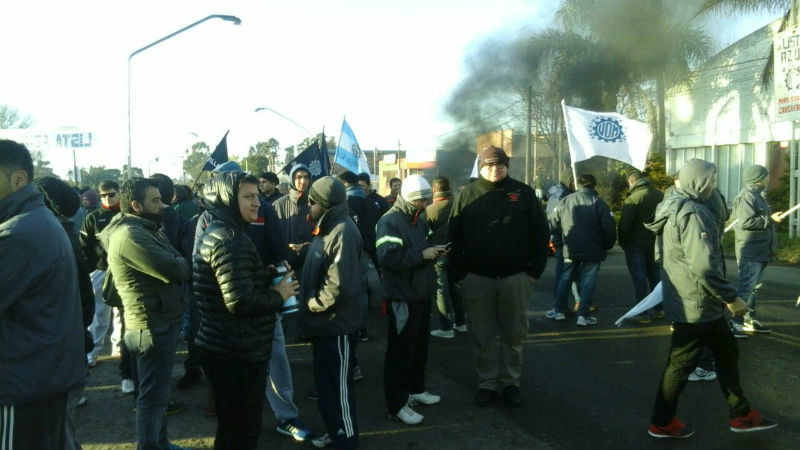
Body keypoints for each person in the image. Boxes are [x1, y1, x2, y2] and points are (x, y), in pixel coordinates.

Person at [644, 158, 778, 438]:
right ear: (700, 182)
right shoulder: (693, 213)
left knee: (727, 353)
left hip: (694, 300)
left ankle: (741, 414)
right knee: (680, 365)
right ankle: (662, 421)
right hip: (697, 303)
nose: (714, 187)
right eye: (712, 181)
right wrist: (731, 298)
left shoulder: (675, 205)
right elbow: (704, 266)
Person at [194, 161, 311, 442]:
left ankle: (286, 416)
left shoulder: (229, 227)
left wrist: (265, 273)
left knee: (235, 424)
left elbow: (243, 274)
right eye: (247, 197)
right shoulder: (227, 236)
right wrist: (278, 294)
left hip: (232, 339)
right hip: (236, 344)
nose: (256, 202)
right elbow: (239, 302)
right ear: (226, 198)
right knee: (240, 429)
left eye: (257, 195)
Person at [448, 145, 549, 407]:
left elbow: (541, 234)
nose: (495, 170)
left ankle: (510, 383)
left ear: (507, 166)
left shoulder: (523, 193)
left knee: (514, 335)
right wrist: (461, 274)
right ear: (481, 166)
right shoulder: (467, 195)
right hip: (477, 279)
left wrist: (533, 272)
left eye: (500, 165)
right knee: (482, 336)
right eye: (489, 165)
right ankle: (487, 384)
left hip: (516, 278)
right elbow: (453, 237)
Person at [0, 139, 85, 450]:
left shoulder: (17, 235)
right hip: (43, 379)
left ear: (17, 179)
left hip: (24, 384)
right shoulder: (36, 221)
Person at [100, 178, 191, 450]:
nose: (162, 205)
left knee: (157, 395)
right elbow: (177, 268)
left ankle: (160, 442)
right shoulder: (130, 235)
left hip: (159, 321)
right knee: (151, 398)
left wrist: (178, 261)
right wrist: (179, 263)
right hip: (150, 326)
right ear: (136, 205)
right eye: (155, 200)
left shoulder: (146, 228)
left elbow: (176, 258)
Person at [298, 177, 364, 450]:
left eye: (311, 201)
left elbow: (338, 287)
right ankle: (335, 431)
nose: (308, 205)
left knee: (339, 391)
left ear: (323, 204)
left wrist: (310, 303)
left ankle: (346, 441)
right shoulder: (327, 228)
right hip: (322, 326)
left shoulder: (342, 231)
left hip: (336, 326)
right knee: (325, 389)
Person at [34, 176, 97, 450]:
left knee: (57, 433)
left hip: (56, 350)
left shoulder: (50, 238)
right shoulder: (63, 233)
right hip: (67, 345)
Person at [378, 174, 445, 425]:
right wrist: (423, 254)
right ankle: (396, 405)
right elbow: (388, 258)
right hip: (402, 297)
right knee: (399, 353)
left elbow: (417, 250)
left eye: (426, 199)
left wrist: (433, 252)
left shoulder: (416, 219)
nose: (425, 204)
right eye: (421, 200)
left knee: (419, 348)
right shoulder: (390, 222)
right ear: (408, 198)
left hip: (420, 294)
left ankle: (416, 389)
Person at [547, 173, 616, 326]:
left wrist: (562, 235)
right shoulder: (599, 203)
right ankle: (583, 315)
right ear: (594, 185)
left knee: (565, 279)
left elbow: (553, 221)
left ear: (578, 184)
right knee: (588, 282)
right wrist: (606, 245)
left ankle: (558, 310)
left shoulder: (566, 201)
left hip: (570, 248)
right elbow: (609, 229)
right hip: (593, 250)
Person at [80, 180, 126, 373]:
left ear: (119, 193)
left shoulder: (126, 215)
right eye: (103, 195)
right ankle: (93, 352)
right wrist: (91, 268)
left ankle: (119, 349)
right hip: (100, 270)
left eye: (111, 194)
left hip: (123, 270)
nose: (107, 198)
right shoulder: (92, 217)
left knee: (121, 313)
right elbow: (84, 246)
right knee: (100, 313)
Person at [730, 164, 782, 336]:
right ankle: (735, 322)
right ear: (758, 178)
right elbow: (745, 222)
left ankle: (749, 320)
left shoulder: (757, 196)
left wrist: (768, 219)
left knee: (754, 288)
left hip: (760, 251)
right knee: (747, 287)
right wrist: (770, 220)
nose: (768, 179)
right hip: (750, 252)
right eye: (766, 176)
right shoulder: (747, 197)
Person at [617, 170, 663, 323]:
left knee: (639, 278)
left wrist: (624, 243)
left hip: (635, 244)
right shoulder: (659, 196)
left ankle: (643, 314)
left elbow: (624, 226)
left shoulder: (632, 199)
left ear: (631, 182)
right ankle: (659, 310)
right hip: (655, 242)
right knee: (655, 276)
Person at [426, 176, 466, 338]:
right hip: (458, 255)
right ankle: (461, 323)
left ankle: (446, 327)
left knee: (441, 290)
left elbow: (423, 234)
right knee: (456, 288)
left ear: (434, 190)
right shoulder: (460, 206)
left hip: (438, 255)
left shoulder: (429, 210)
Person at [273, 164, 314, 270]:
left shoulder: (316, 204)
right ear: (292, 179)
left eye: (306, 177)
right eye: (298, 177)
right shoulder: (278, 204)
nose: (303, 181)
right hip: (285, 265)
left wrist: (307, 248)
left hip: (311, 262)